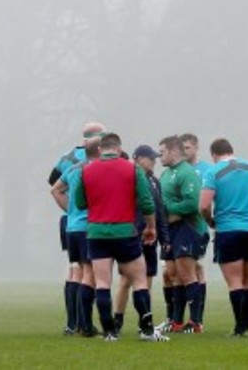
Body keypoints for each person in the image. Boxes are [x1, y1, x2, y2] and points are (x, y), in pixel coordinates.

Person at [74, 132, 166, 342]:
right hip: (125, 231)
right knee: (140, 280)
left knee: (103, 283)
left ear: (100, 150)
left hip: (97, 233)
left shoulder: (86, 171)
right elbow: (147, 202)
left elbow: (80, 203)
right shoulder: (132, 169)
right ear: (118, 147)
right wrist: (151, 227)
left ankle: (109, 332)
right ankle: (147, 330)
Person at [200, 138, 248, 336]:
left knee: (235, 281)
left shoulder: (213, 172)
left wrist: (210, 221)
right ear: (232, 150)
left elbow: (203, 205)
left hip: (228, 230)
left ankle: (240, 327)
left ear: (214, 155)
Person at [48, 121, 105, 334]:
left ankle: (71, 323)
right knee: (88, 272)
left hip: (70, 222)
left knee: (74, 269)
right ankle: (83, 323)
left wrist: (68, 209)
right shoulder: (96, 158)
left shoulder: (68, 158)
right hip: (88, 221)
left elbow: (53, 182)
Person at [113, 145, 169, 334]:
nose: (154, 161)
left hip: (150, 239)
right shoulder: (128, 177)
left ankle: (144, 323)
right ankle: (117, 321)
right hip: (132, 236)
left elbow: (159, 210)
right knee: (126, 281)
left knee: (147, 280)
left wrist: (164, 237)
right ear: (137, 158)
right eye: (150, 158)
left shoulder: (154, 181)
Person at [158, 135, 210, 333]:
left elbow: (191, 203)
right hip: (169, 230)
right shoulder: (166, 174)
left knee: (187, 274)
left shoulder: (186, 173)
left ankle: (195, 322)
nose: (159, 156)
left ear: (172, 151)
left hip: (187, 229)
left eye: (162, 152)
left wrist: (167, 207)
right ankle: (176, 321)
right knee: (172, 274)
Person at [180, 132, 211, 323]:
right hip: (177, 228)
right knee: (174, 272)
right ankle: (175, 318)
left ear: (196, 147)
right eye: (181, 148)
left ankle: (196, 318)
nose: (184, 152)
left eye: (187, 148)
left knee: (197, 268)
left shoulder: (207, 170)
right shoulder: (177, 170)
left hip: (197, 227)